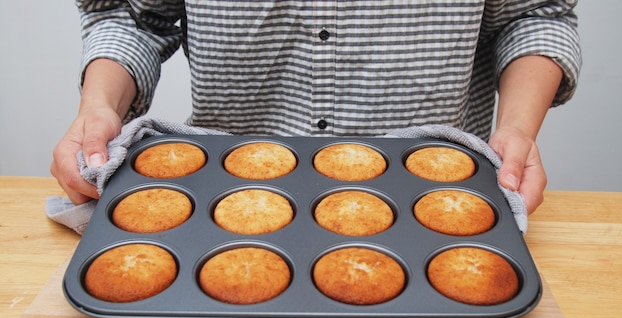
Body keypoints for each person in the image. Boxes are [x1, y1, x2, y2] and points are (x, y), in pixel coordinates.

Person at [51, 1, 582, 214]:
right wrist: (98, 107)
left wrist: (517, 127)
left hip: (437, 199)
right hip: (227, 197)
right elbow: (134, 16)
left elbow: (535, 14)